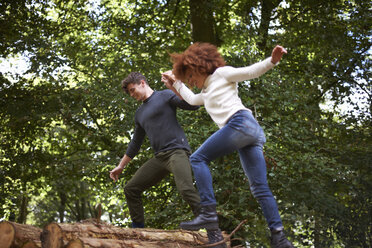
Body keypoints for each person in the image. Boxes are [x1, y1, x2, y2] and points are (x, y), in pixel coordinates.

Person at [161, 43, 294, 248]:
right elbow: (192, 99)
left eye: (190, 77)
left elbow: (250, 72)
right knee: (259, 187)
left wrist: (272, 60)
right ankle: (279, 238)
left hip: (241, 123)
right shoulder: (206, 92)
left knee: (197, 158)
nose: (192, 82)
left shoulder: (222, 74)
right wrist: (176, 84)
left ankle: (208, 213)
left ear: (198, 67)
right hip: (249, 133)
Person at [109, 72, 201, 228]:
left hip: (177, 151)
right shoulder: (139, 114)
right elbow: (135, 143)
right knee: (131, 189)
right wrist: (121, 166)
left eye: (132, 90)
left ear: (142, 83)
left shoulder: (165, 95)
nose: (132, 94)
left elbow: (193, 105)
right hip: (160, 158)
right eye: (129, 92)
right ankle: (138, 231)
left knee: (185, 189)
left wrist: (173, 86)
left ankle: (211, 224)